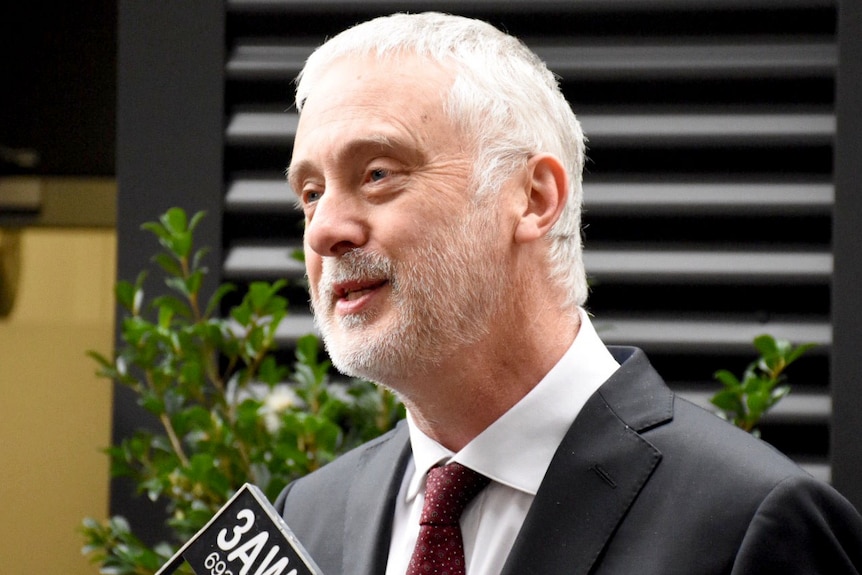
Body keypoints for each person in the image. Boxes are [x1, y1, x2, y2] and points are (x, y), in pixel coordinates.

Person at [274, 11, 862, 574]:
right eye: (310, 193)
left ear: (533, 198)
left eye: (377, 174)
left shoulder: (750, 522)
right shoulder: (309, 515)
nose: (324, 230)